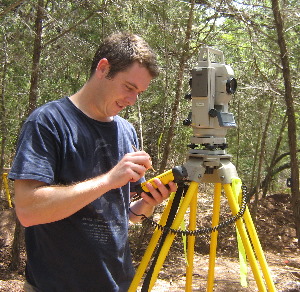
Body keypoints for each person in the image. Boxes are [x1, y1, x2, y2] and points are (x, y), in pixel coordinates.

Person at [9, 32, 177, 292]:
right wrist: (109, 180)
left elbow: (126, 215)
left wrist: (147, 202)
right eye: (129, 87)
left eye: (139, 93)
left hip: (117, 284)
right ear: (103, 68)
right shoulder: (48, 122)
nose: (132, 100)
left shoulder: (126, 131)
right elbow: (28, 211)